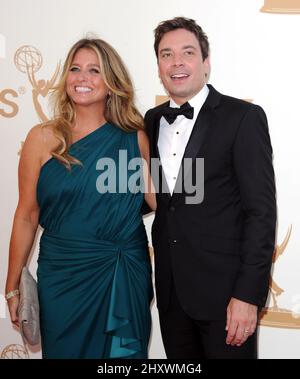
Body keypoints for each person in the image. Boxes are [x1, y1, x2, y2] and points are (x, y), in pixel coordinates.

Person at [5, 38, 155, 359]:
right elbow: (26, 215)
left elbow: (168, 207)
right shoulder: (42, 139)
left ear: (112, 83)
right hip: (62, 277)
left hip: (122, 274)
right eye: (75, 69)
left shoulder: (134, 139)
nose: (82, 78)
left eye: (94, 70)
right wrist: (12, 284)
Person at [144, 17, 276, 359]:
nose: (176, 63)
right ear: (158, 66)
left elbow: (260, 213)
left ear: (206, 62)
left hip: (227, 298)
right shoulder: (150, 120)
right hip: (172, 295)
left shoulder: (242, 118)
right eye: (166, 54)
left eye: (187, 52)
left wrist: (247, 295)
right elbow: (154, 199)